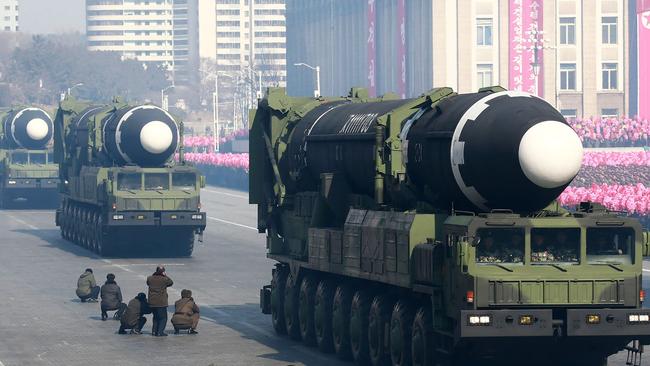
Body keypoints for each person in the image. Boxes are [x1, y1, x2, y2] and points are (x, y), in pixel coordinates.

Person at [147, 265, 173, 337]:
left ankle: (154, 331)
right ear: (163, 272)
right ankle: (160, 332)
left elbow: (148, 283)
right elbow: (171, 283)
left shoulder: (150, 278)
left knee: (155, 317)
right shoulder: (164, 279)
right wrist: (165, 275)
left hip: (151, 302)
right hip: (161, 302)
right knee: (163, 318)